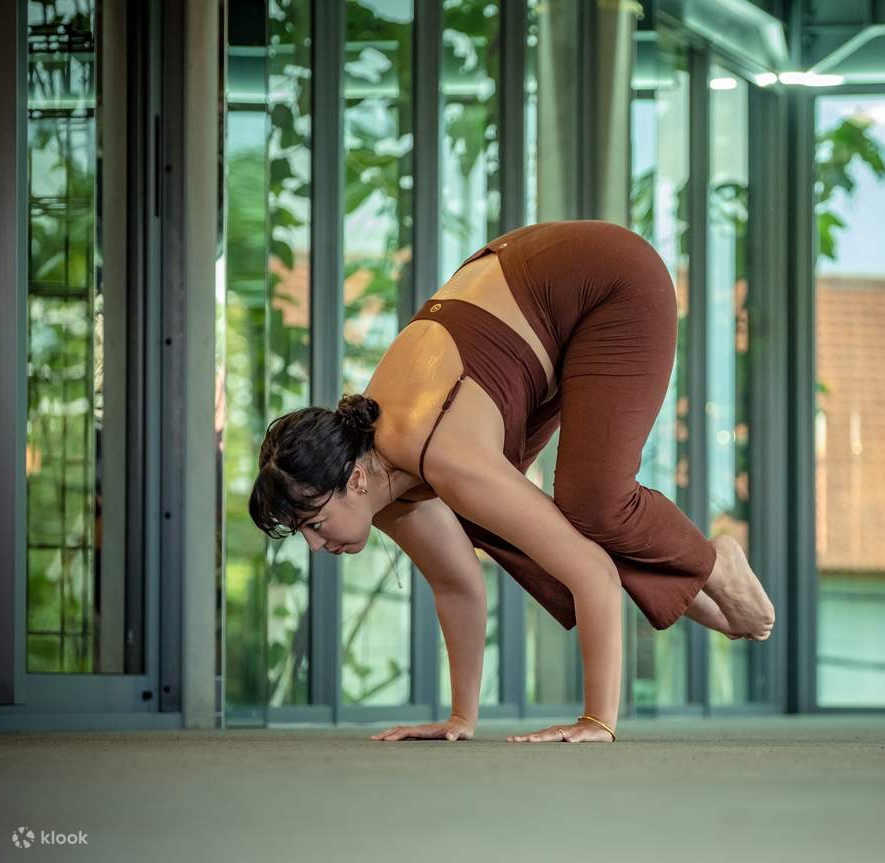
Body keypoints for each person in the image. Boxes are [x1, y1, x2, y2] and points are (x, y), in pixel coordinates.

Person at [249, 220, 774, 744]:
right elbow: (456, 585)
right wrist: (461, 718)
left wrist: (596, 720)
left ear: (355, 479)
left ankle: (713, 565)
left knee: (593, 503)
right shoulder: (383, 476)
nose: (316, 546)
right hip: (533, 322)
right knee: (501, 522)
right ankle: (700, 589)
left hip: (609, 280)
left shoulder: (443, 455)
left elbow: (592, 570)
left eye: (315, 523)